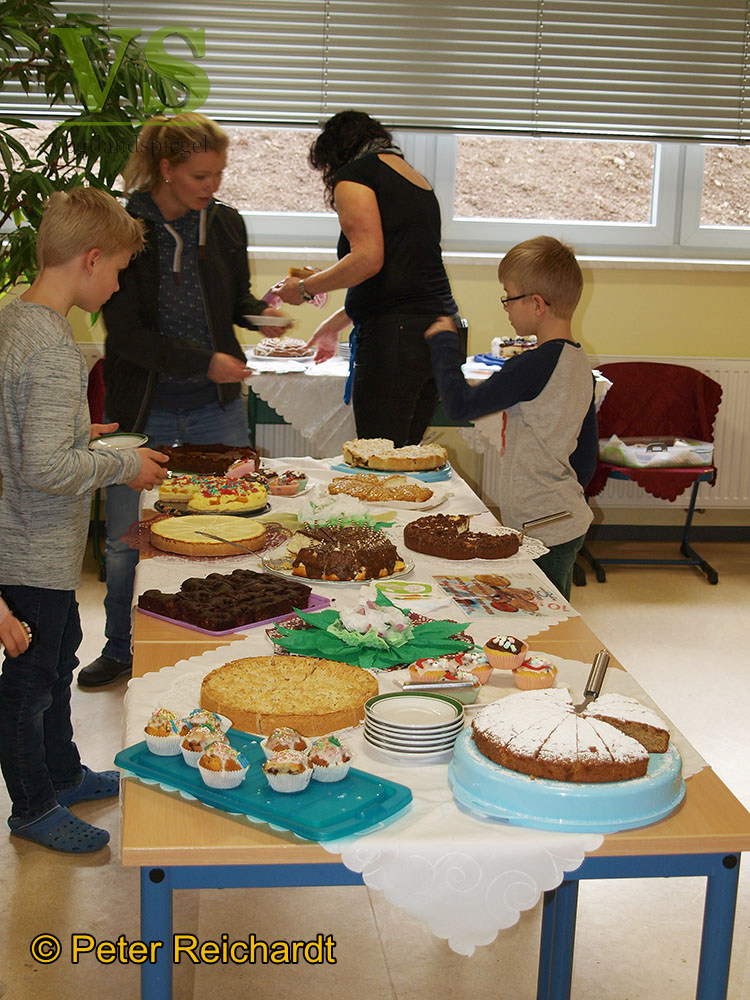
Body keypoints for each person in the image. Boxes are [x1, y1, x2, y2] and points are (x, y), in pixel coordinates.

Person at [78, 113, 288, 689]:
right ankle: (122, 648)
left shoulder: (224, 223)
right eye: (200, 174)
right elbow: (127, 335)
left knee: (236, 525)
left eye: (219, 173)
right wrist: (204, 359)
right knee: (128, 545)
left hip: (214, 405)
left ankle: (232, 642)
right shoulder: (124, 227)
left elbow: (232, 298)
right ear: (166, 168)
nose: (212, 185)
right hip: (141, 413)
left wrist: (258, 317)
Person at [0, 187, 169, 851]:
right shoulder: (51, 349)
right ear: (91, 260)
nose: (120, 282)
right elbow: (45, 470)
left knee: (61, 652)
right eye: (121, 269)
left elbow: (22, 436)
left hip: (36, 541)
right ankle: (34, 807)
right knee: (32, 680)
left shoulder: (20, 321)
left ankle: (64, 772)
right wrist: (120, 466)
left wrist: (79, 432)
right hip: (31, 546)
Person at [273, 109, 460, 446]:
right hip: (439, 332)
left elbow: (367, 260)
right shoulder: (415, 180)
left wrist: (302, 288)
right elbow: (399, 278)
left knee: (380, 459)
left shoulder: (356, 176)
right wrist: (334, 324)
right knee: (405, 457)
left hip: (397, 340)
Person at [424, 236, 597, 599]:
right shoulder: (581, 363)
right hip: (567, 516)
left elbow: (459, 406)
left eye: (508, 296)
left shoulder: (531, 365)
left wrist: (443, 344)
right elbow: (586, 453)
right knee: (556, 609)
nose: (505, 306)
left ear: (536, 303)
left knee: (539, 611)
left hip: (543, 525)